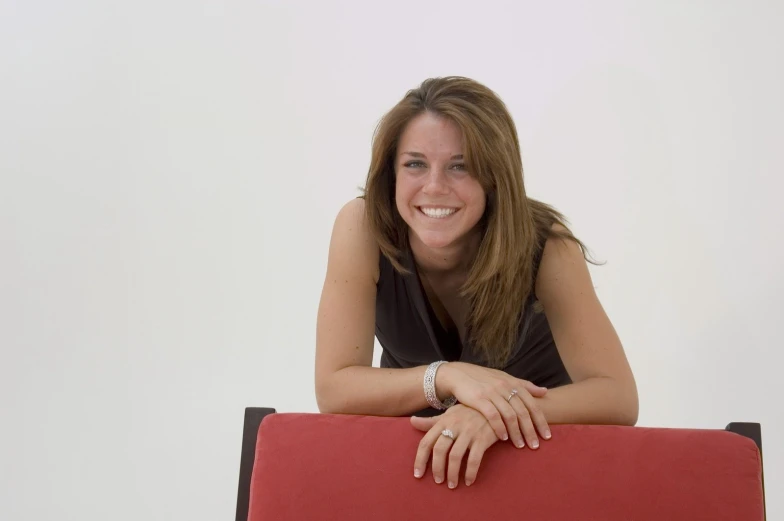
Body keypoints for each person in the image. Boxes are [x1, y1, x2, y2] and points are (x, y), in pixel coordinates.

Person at [315, 76, 638, 490]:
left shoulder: (548, 247)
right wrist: (448, 377)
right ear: (391, 173)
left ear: (493, 177)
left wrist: (493, 409)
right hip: (414, 465)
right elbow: (334, 388)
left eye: (459, 166)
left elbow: (617, 396)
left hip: (536, 460)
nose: (434, 187)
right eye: (415, 163)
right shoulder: (362, 227)